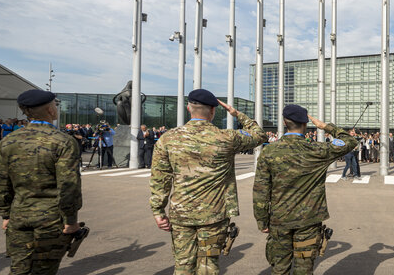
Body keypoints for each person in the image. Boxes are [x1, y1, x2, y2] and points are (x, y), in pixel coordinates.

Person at [150, 89, 266, 275]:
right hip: (214, 215)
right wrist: (236, 114)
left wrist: (158, 211)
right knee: (208, 266)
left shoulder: (168, 138)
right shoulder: (227, 138)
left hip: (181, 215)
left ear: (189, 108)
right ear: (213, 111)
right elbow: (260, 135)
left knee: (182, 266)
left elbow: (160, 178)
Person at [253, 104, 357, 274]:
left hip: (279, 219)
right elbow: (350, 141)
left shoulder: (269, 151)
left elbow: (261, 190)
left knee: (279, 269)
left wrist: (262, 220)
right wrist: (325, 126)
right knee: (303, 270)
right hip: (308, 221)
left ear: (285, 122)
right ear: (305, 124)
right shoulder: (317, 150)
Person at [0, 90, 82, 275]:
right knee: (43, 270)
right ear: (50, 110)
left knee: (19, 268)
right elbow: (68, 186)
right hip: (50, 219)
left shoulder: (7, 142)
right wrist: (71, 220)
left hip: (18, 217)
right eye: (55, 105)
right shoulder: (63, 142)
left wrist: (5, 215)